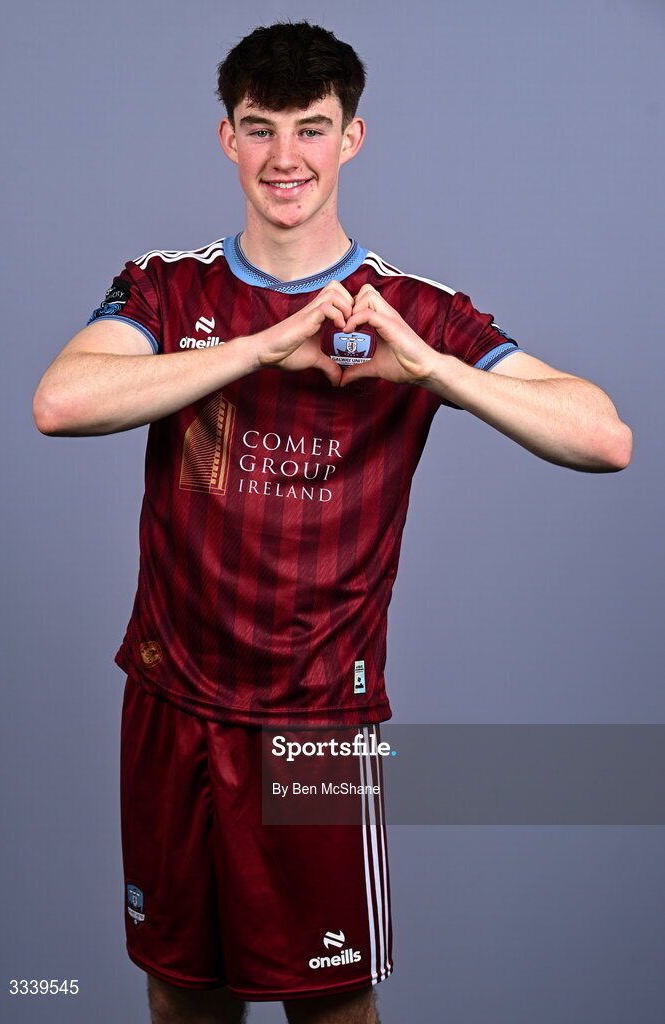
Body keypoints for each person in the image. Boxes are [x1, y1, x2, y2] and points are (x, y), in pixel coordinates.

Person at [32, 20, 632, 1024]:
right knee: (183, 995)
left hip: (315, 725)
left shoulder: (413, 311)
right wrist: (264, 346)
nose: (285, 158)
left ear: (352, 137)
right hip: (171, 703)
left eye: (311, 129)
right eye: (259, 129)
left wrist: (432, 369)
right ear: (226, 137)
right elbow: (61, 402)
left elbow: (604, 437)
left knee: (331, 1007)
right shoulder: (170, 288)